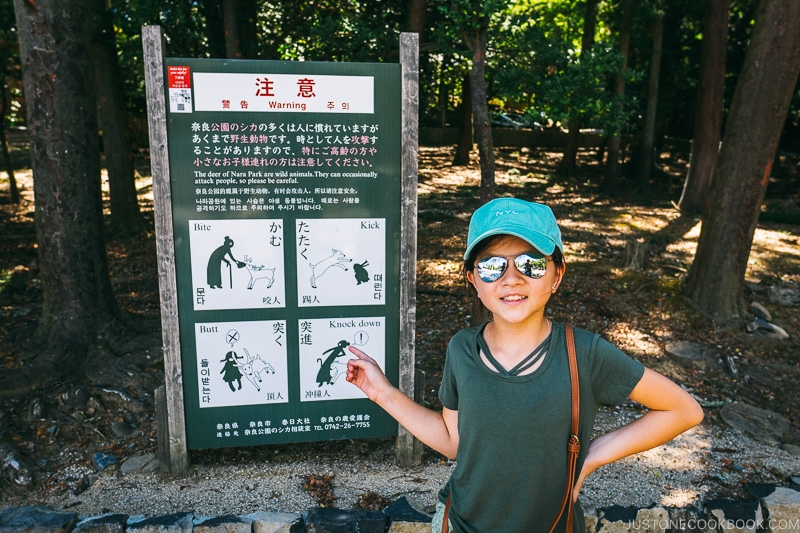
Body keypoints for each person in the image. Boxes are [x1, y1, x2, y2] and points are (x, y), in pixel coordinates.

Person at [346, 197, 704, 533]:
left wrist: (591, 458)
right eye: (491, 265)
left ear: (557, 275)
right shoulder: (462, 349)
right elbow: (455, 443)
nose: (512, 278)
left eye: (531, 263)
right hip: (460, 522)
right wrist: (383, 393)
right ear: (473, 278)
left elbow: (683, 410)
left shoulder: (584, 353)